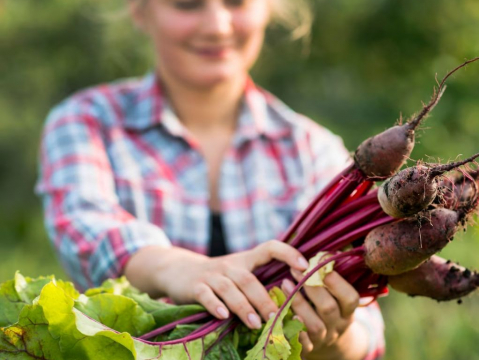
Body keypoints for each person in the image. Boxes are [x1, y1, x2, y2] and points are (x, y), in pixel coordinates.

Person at [36, 0, 385, 359]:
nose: (218, 25)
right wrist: (178, 269)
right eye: (187, 5)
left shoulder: (314, 150)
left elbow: (367, 334)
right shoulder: (86, 122)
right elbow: (84, 227)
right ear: (141, 11)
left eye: (237, 2)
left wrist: (333, 341)